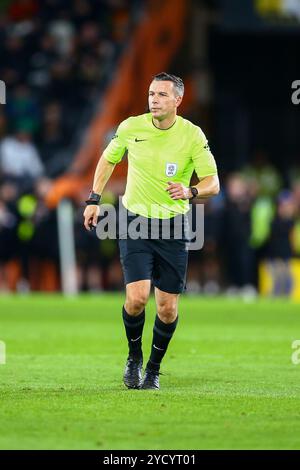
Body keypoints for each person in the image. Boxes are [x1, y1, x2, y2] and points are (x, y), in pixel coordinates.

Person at [83, 72, 219, 390]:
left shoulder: (192, 135)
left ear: (177, 100)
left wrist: (190, 192)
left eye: (161, 95)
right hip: (135, 221)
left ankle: (154, 370)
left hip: (173, 225)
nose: (153, 100)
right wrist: (93, 199)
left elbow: (213, 182)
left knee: (168, 308)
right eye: (150, 94)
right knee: (137, 298)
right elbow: (107, 159)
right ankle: (134, 359)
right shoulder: (131, 127)